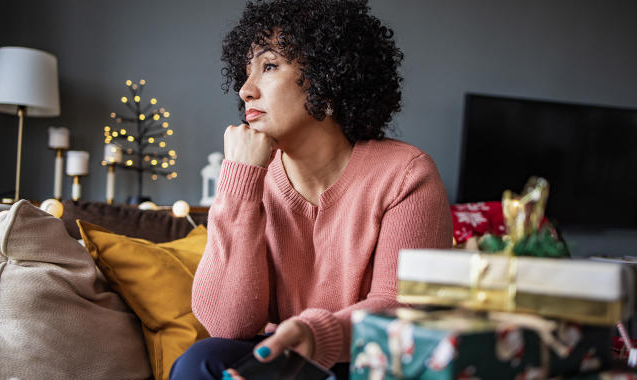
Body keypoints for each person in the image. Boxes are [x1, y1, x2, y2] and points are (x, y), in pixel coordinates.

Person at [170, 0, 452, 379]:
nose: (245, 90)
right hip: (284, 354)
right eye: (245, 71)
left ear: (327, 77)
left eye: (269, 66)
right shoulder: (254, 178)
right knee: (199, 361)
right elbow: (228, 325)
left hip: (367, 360)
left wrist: (316, 334)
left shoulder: (405, 174)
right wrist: (239, 182)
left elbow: (400, 306)